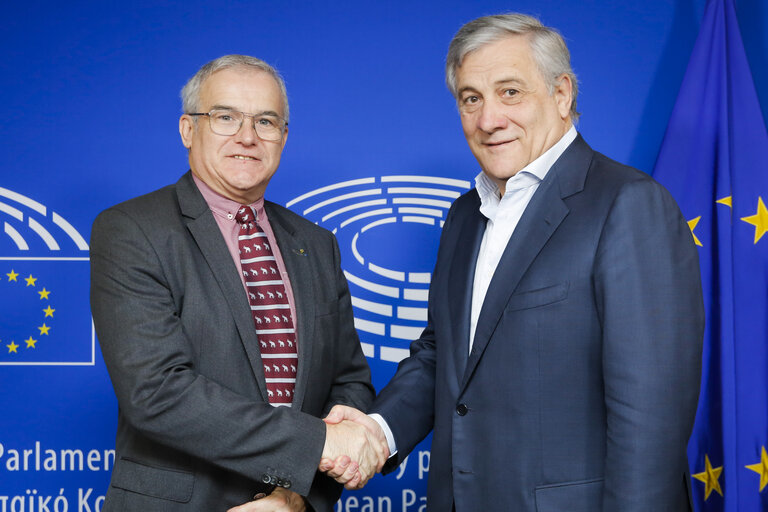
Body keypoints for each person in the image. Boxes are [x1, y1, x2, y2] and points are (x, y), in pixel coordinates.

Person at [323, 14, 704, 511]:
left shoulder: (628, 204)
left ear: (562, 95)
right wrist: (376, 431)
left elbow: (651, 420)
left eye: (510, 92)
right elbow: (444, 356)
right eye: (471, 98)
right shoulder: (464, 215)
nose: (488, 120)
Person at [90, 54, 386, 512]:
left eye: (266, 121)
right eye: (225, 117)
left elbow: (349, 382)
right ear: (188, 129)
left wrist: (292, 496)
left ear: (284, 137)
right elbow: (157, 391)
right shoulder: (132, 230)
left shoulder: (316, 243)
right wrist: (318, 445)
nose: (247, 137)